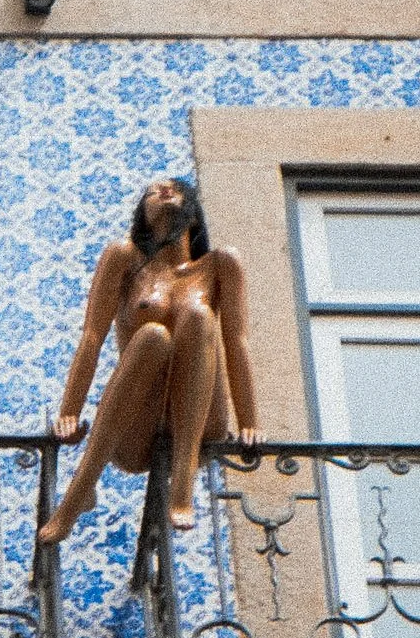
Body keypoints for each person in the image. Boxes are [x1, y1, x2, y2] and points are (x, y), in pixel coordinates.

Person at [36, 175, 260, 545]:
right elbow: (92, 336)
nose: (165, 190)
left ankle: (183, 483)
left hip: (203, 421)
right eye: (154, 191)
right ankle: (78, 493)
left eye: (175, 188)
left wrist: (250, 421)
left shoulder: (220, 265)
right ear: (141, 213)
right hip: (136, 423)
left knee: (201, 317)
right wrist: (69, 413)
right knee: (153, 336)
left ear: (193, 213)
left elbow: (236, 342)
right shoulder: (124, 259)